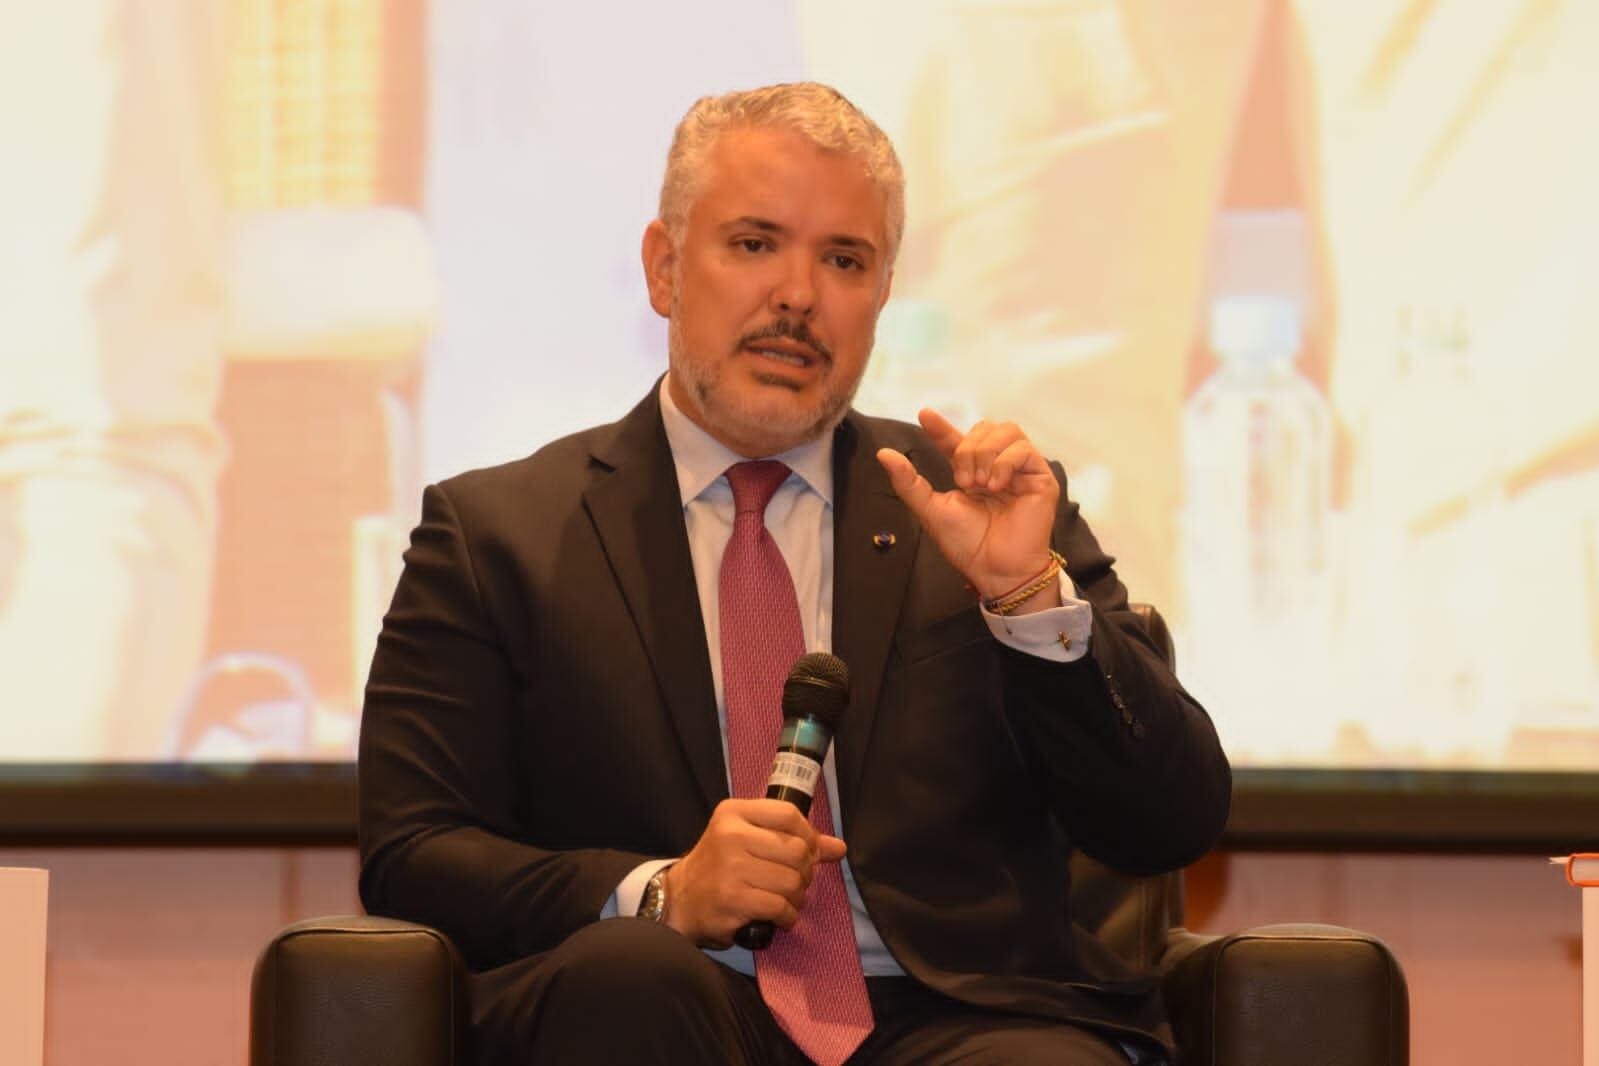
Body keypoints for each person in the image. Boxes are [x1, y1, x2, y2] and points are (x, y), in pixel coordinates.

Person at [358, 82, 1230, 1065]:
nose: (799, 296)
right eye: (754, 243)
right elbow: (412, 853)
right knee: (627, 977)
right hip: (664, 1007)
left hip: (952, 1022)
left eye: (844, 260)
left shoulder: (978, 512)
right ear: (663, 267)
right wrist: (664, 890)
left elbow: (1173, 820)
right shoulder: (498, 534)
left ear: (882, 296)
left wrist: (1029, 601)